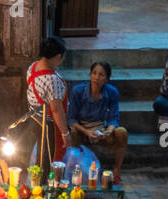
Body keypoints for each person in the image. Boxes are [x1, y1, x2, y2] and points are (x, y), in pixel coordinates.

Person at [67, 61, 128, 184]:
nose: (96, 77)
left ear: (106, 78)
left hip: (101, 128)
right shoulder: (78, 91)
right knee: (72, 131)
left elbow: (114, 118)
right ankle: (74, 171)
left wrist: (107, 131)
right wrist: (87, 132)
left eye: (101, 75)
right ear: (90, 75)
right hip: (82, 130)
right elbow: (71, 119)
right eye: (94, 73)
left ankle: (116, 172)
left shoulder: (111, 92)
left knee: (122, 132)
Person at [25, 36, 70, 166]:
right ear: (57, 57)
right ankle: (45, 185)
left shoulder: (33, 67)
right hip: (50, 126)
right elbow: (56, 110)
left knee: (40, 156)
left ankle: (38, 182)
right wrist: (65, 133)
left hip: (35, 120)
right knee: (49, 160)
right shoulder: (52, 80)